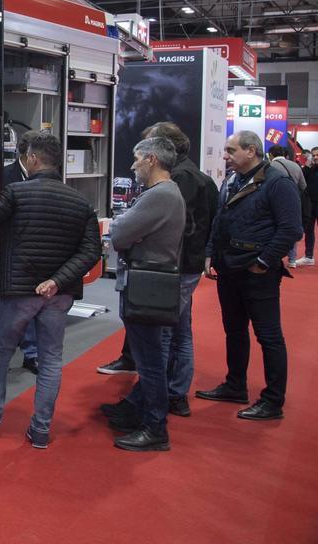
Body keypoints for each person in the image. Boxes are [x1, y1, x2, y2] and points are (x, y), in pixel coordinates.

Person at [0, 130, 101, 449]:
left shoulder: (16, 193)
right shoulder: (81, 203)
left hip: (18, 291)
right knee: (51, 359)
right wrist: (58, 280)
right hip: (58, 295)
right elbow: (91, 252)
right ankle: (40, 430)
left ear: (33, 158)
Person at [99, 122, 218, 416]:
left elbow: (127, 232)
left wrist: (131, 231)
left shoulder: (172, 186)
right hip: (172, 268)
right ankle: (155, 400)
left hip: (167, 271)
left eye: (140, 154)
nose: (134, 163)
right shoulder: (180, 180)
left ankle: (162, 405)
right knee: (170, 336)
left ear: (156, 154)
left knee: (161, 343)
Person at [197, 132, 302, 421]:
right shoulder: (230, 181)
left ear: (251, 151)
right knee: (234, 330)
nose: (225, 156)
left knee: (268, 336)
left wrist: (263, 262)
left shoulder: (277, 182)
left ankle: (273, 401)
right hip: (229, 268)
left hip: (258, 273)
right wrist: (209, 254)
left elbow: (292, 229)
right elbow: (218, 220)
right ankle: (235, 385)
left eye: (231, 150)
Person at [103, 137, 186, 452]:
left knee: (149, 362)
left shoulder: (160, 195)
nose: (133, 165)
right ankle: (137, 410)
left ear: (151, 159)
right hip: (147, 283)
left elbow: (120, 234)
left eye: (137, 159)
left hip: (147, 285)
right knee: (148, 357)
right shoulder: (165, 193)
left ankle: (155, 428)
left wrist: (121, 226)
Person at [3, 130, 40, 375]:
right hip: (13, 250)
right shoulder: (5, 176)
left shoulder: (50, 177)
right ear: (30, 156)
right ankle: (29, 352)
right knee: (16, 307)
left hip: (41, 250)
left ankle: (33, 353)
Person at [268, 145, 309, 268]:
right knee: (291, 227)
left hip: (273, 202)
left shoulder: (269, 167)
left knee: (273, 228)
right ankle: (292, 260)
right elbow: (303, 185)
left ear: (270, 155)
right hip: (294, 201)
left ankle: (273, 258)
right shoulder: (295, 166)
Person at [302, 148, 318, 265]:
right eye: (314, 155)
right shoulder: (310, 169)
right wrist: (306, 166)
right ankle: (309, 256)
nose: (315, 157)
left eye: (317, 155)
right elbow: (302, 180)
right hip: (310, 204)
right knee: (309, 230)